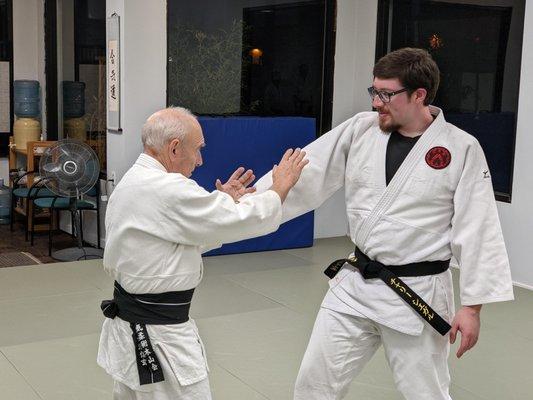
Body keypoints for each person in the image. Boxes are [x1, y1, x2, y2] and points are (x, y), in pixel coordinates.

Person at [253, 48, 514, 400]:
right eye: (374, 91)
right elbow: (306, 173)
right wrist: (249, 201)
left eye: (387, 94)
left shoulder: (460, 148)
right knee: (313, 386)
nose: (377, 102)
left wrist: (472, 307)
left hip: (417, 293)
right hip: (355, 285)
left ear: (419, 94)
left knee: (426, 394)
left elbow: (478, 227)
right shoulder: (360, 130)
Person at [97, 106, 308, 399]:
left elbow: (174, 236)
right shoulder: (167, 188)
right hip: (161, 338)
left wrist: (221, 200)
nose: (200, 160)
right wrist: (279, 188)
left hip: (132, 328)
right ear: (173, 148)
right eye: (197, 150)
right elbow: (240, 221)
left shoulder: (135, 179)